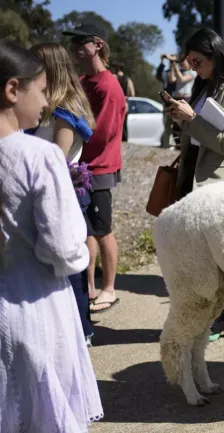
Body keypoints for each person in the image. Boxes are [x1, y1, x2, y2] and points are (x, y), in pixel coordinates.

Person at [0, 38, 103, 432]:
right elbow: (63, 248)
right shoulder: (38, 155)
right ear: (13, 89)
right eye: (41, 91)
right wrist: (77, 255)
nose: (46, 102)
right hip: (37, 305)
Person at [166, 28, 224, 341]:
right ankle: (213, 317)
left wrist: (192, 120)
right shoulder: (208, 86)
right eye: (189, 61)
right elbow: (201, 136)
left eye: (197, 60)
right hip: (201, 183)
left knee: (222, 260)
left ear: (214, 55)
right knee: (206, 260)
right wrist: (181, 121)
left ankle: (221, 319)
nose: (192, 67)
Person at [27, 42, 98, 345]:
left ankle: (81, 332)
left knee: (69, 270)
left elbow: (58, 157)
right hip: (49, 195)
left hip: (63, 196)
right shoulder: (49, 106)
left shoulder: (65, 110)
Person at [63, 22, 126, 313]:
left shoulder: (108, 85)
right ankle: (87, 288)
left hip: (99, 168)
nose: (75, 46)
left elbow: (103, 133)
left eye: (81, 41)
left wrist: (68, 141)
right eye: (73, 41)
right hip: (80, 167)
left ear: (97, 44)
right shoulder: (82, 81)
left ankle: (109, 289)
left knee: (102, 231)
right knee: (85, 231)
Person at [111, 61, 134, 141]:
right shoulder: (128, 79)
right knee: (124, 123)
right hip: (125, 103)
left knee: (115, 123)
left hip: (116, 103)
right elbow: (132, 93)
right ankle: (125, 139)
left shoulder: (113, 77)